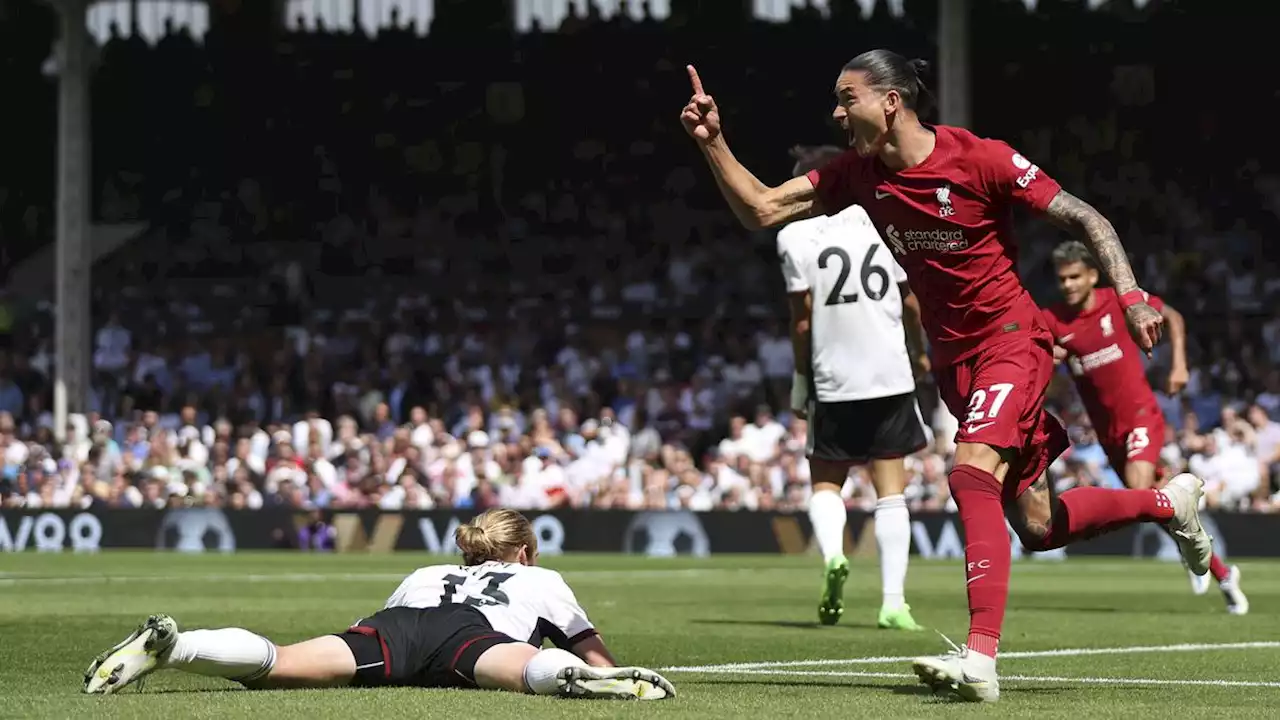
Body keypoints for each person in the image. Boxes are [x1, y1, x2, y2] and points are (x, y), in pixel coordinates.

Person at [679, 49, 1214, 703]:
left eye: (847, 98)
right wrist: (714, 143)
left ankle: (981, 659)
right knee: (1039, 526)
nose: (837, 112)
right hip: (959, 364)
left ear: (891, 102)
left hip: (1012, 342)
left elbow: (1085, 216)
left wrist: (1128, 293)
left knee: (969, 474)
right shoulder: (854, 175)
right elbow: (761, 210)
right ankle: (1169, 502)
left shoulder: (980, 158)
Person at [83, 509, 675, 700]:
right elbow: (597, 650)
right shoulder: (540, 580)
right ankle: (567, 682)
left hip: (395, 626)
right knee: (519, 669)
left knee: (281, 665)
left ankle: (177, 646)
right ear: (525, 550)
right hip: (471, 633)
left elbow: (392, 621)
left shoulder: (427, 569)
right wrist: (601, 669)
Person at [1042, 241, 1248, 614]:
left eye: (1075, 276)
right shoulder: (1055, 320)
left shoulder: (1118, 301)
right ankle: (1221, 572)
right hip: (1108, 433)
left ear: (1092, 275)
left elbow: (1174, 317)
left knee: (1139, 491)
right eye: (1062, 279)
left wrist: (1178, 365)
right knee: (1152, 501)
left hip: (1141, 417)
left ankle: (1199, 557)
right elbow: (1047, 361)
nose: (1069, 284)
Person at [778, 144, 929, 631]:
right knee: (892, 494)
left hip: (833, 378)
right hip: (889, 373)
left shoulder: (794, 236)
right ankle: (893, 603)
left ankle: (832, 558)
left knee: (826, 483)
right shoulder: (887, 226)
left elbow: (802, 322)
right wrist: (919, 350)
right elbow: (911, 304)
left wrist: (801, 380)